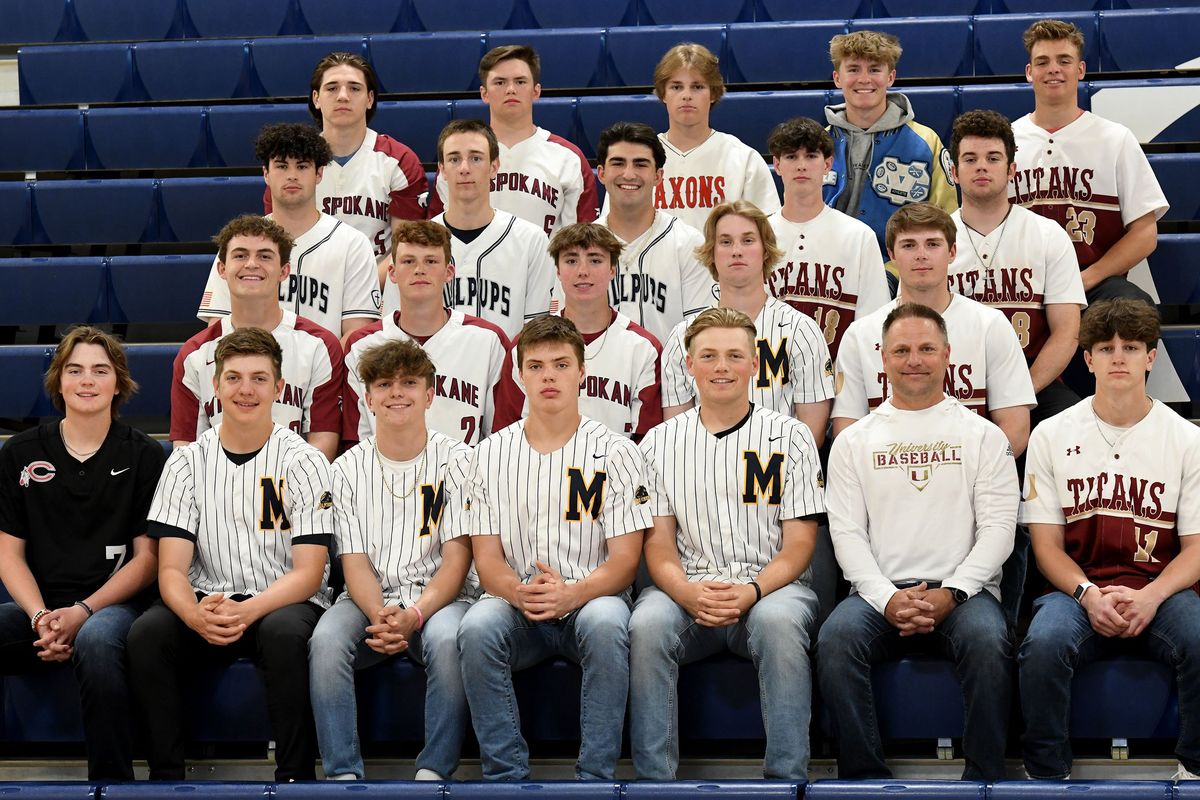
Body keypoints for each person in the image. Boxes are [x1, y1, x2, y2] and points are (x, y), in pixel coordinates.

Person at [820, 302, 1018, 781]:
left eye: (927, 349)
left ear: (948, 354)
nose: (915, 360)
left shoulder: (984, 436)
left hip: (964, 593)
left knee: (991, 642)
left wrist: (952, 592)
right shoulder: (853, 441)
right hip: (877, 594)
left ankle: (985, 779)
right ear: (881, 359)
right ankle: (865, 779)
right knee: (834, 640)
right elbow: (846, 534)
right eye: (902, 350)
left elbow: (998, 532)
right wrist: (887, 597)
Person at [128, 327, 333, 782]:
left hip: (282, 601)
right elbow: (172, 569)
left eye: (260, 378)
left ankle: (296, 779)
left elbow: (309, 572)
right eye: (234, 378)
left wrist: (249, 610)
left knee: (283, 635)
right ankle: (165, 780)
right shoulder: (186, 462)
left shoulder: (304, 462)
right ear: (215, 386)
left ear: (280, 388)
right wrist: (195, 614)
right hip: (208, 599)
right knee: (147, 634)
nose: (246, 390)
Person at [631, 307, 823, 781]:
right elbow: (658, 547)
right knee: (648, 623)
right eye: (709, 356)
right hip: (688, 590)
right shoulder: (657, 443)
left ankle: (787, 780)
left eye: (735, 355)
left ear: (754, 365)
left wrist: (752, 591)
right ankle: (655, 783)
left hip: (771, 588)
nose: (722, 366)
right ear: (689, 365)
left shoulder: (792, 436)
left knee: (780, 625)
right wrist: (686, 592)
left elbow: (800, 546)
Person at [457, 314, 650, 781]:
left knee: (608, 626)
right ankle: (505, 776)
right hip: (515, 602)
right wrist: (517, 592)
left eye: (561, 364)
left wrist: (572, 594)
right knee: (477, 628)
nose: (549, 376)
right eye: (537, 366)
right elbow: (486, 560)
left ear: (582, 372)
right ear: (519, 374)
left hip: (592, 599)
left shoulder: (617, 451)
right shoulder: (485, 455)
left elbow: (625, 562)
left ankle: (596, 777)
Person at [1018, 298, 1200, 782]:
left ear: (1151, 357)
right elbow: (1046, 547)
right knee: (1043, 644)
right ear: (1088, 359)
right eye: (1106, 347)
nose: (1119, 356)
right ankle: (1046, 775)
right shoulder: (1051, 435)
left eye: (1131, 346)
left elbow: (1197, 549)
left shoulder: (1186, 439)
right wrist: (1087, 595)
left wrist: (1152, 595)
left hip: (1161, 587)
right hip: (1078, 588)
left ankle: (1196, 769)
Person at [0, 327, 165, 782]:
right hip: (41, 607)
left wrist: (84, 610)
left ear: (119, 382)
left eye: (100, 370)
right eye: (75, 370)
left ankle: (111, 786)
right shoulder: (20, 453)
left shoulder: (146, 455)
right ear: (58, 381)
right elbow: (8, 554)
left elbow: (147, 560)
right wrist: (40, 617)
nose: (87, 380)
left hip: (115, 606)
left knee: (95, 640)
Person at [310, 339, 474, 781]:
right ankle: (342, 772)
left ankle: (435, 769)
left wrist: (416, 614)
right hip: (369, 600)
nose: (396, 392)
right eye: (384, 384)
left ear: (429, 394)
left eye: (409, 382)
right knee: (325, 642)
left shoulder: (460, 460)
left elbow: (457, 558)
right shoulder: (345, 469)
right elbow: (354, 561)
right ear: (367, 398)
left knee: (445, 641)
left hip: (441, 599)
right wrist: (380, 615)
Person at [833, 203, 1035, 457]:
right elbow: (846, 431)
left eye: (932, 244)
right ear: (891, 255)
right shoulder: (860, 335)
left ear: (952, 252)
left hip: (970, 482)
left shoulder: (990, 325)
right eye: (908, 245)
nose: (921, 254)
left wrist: (981, 474)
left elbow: (1015, 427)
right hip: (885, 483)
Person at [1011, 19, 1168, 305]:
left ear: (1080, 70)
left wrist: (1088, 277)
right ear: (1029, 72)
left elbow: (1145, 233)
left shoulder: (1115, 139)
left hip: (1095, 283)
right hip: (1022, 286)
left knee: (1136, 311)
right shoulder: (1005, 142)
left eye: (1064, 60)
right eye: (1043, 61)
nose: (1053, 69)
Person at [948, 109, 1086, 425]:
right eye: (970, 159)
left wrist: (1021, 394)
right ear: (954, 172)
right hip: (952, 385)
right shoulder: (932, 239)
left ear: (1011, 170)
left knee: (1072, 423)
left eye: (993, 158)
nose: (981, 165)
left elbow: (1067, 332)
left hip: (1031, 380)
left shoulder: (1048, 234)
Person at [661, 200, 834, 447]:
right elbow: (676, 436)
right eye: (726, 242)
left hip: (777, 474)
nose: (737, 251)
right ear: (712, 252)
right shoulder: (683, 337)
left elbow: (811, 438)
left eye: (748, 240)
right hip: (703, 474)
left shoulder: (801, 331)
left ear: (766, 250)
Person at [173, 215, 343, 462]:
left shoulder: (319, 346)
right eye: (240, 255)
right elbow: (185, 449)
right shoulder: (194, 354)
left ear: (284, 271)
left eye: (264, 256)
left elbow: (323, 442)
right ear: (222, 269)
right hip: (218, 491)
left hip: (293, 491)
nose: (251, 264)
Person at [198, 122, 380, 342]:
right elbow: (218, 330)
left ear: (319, 173)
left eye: (302, 166)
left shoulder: (353, 244)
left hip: (326, 374)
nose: (292, 175)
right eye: (282, 166)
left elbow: (355, 336)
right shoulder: (240, 244)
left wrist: (320, 373)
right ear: (266, 173)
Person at [344, 220, 520, 446]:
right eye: (408, 261)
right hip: (385, 478)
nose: (419, 269)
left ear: (448, 272)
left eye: (431, 261)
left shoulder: (488, 340)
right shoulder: (362, 345)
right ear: (392, 272)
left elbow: (503, 436)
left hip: (467, 477)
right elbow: (355, 441)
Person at [384, 119, 555, 341]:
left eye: (475, 158)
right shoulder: (411, 245)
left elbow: (535, 334)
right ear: (442, 170)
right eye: (454, 159)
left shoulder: (531, 241)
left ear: (494, 167)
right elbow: (393, 329)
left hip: (504, 372)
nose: (464, 169)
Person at [511, 223, 662, 441]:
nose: (583, 271)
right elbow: (507, 433)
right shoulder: (526, 344)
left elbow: (647, 440)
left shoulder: (643, 348)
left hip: (617, 471)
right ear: (558, 271)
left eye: (595, 260)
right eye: (571, 261)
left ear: (612, 269)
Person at [280, 52, 428, 274]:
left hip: (379, 291)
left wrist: (362, 291)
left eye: (354, 88)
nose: (343, 96)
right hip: (309, 288)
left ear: (369, 99)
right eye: (331, 88)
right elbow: (283, 244)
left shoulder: (398, 161)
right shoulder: (289, 164)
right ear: (316, 98)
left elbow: (405, 252)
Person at [426, 45, 597, 235]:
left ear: (536, 91)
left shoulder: (568, 157)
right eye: (499, 82)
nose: (510, 89)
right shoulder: (458, 156)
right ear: (484, 93)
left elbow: (583, 240)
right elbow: (437, 234)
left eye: (520, 81)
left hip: (544, 264)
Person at [823, 31, 958, 272]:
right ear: (837, 78)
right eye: (853, 69)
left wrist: (895, 275)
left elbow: (946, 220)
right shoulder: (817, 144)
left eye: (874, 69)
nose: (864, 79)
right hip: (826, 272)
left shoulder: (926, 142)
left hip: (902, 275)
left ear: (891, 77)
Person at [766, 116, 891, 360]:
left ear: (828, 164)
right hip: (768, 380)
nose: (801, 165)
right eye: (791, 157)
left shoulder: (859, 236)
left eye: (811, 156)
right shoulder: (757, 235)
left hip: (838, 377)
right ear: (777, 165)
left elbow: (872, 325)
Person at [595, 121, 715, 344]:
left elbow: (701, 335)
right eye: (618, 163)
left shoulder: (688, 243)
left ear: (658, 176)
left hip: (669, 377)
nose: (628, 174)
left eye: (640, 164)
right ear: (601, 173)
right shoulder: (580, 246)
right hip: (596, 377)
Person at [639, 43, 780, 231]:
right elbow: (613, 234)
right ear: (663, 93)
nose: (686, 95)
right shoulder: (637, 160)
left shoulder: (743, 159)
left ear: (713, 93)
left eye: (697, 86)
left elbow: (768, 235)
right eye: (676, 87)